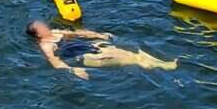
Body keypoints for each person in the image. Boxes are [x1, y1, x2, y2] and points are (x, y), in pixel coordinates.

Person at [25, 21, 176, 79]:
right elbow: (54, 61)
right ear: (38, 34)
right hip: (81, 56)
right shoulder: (45, 45)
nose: (44, 25)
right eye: (40, 26)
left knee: (131, 51)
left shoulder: (56, 32)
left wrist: (98, 35)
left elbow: (78, 33)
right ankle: (158, 66)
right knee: (129, 58)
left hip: (89, 47)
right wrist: (73, 70)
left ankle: (157, 63)